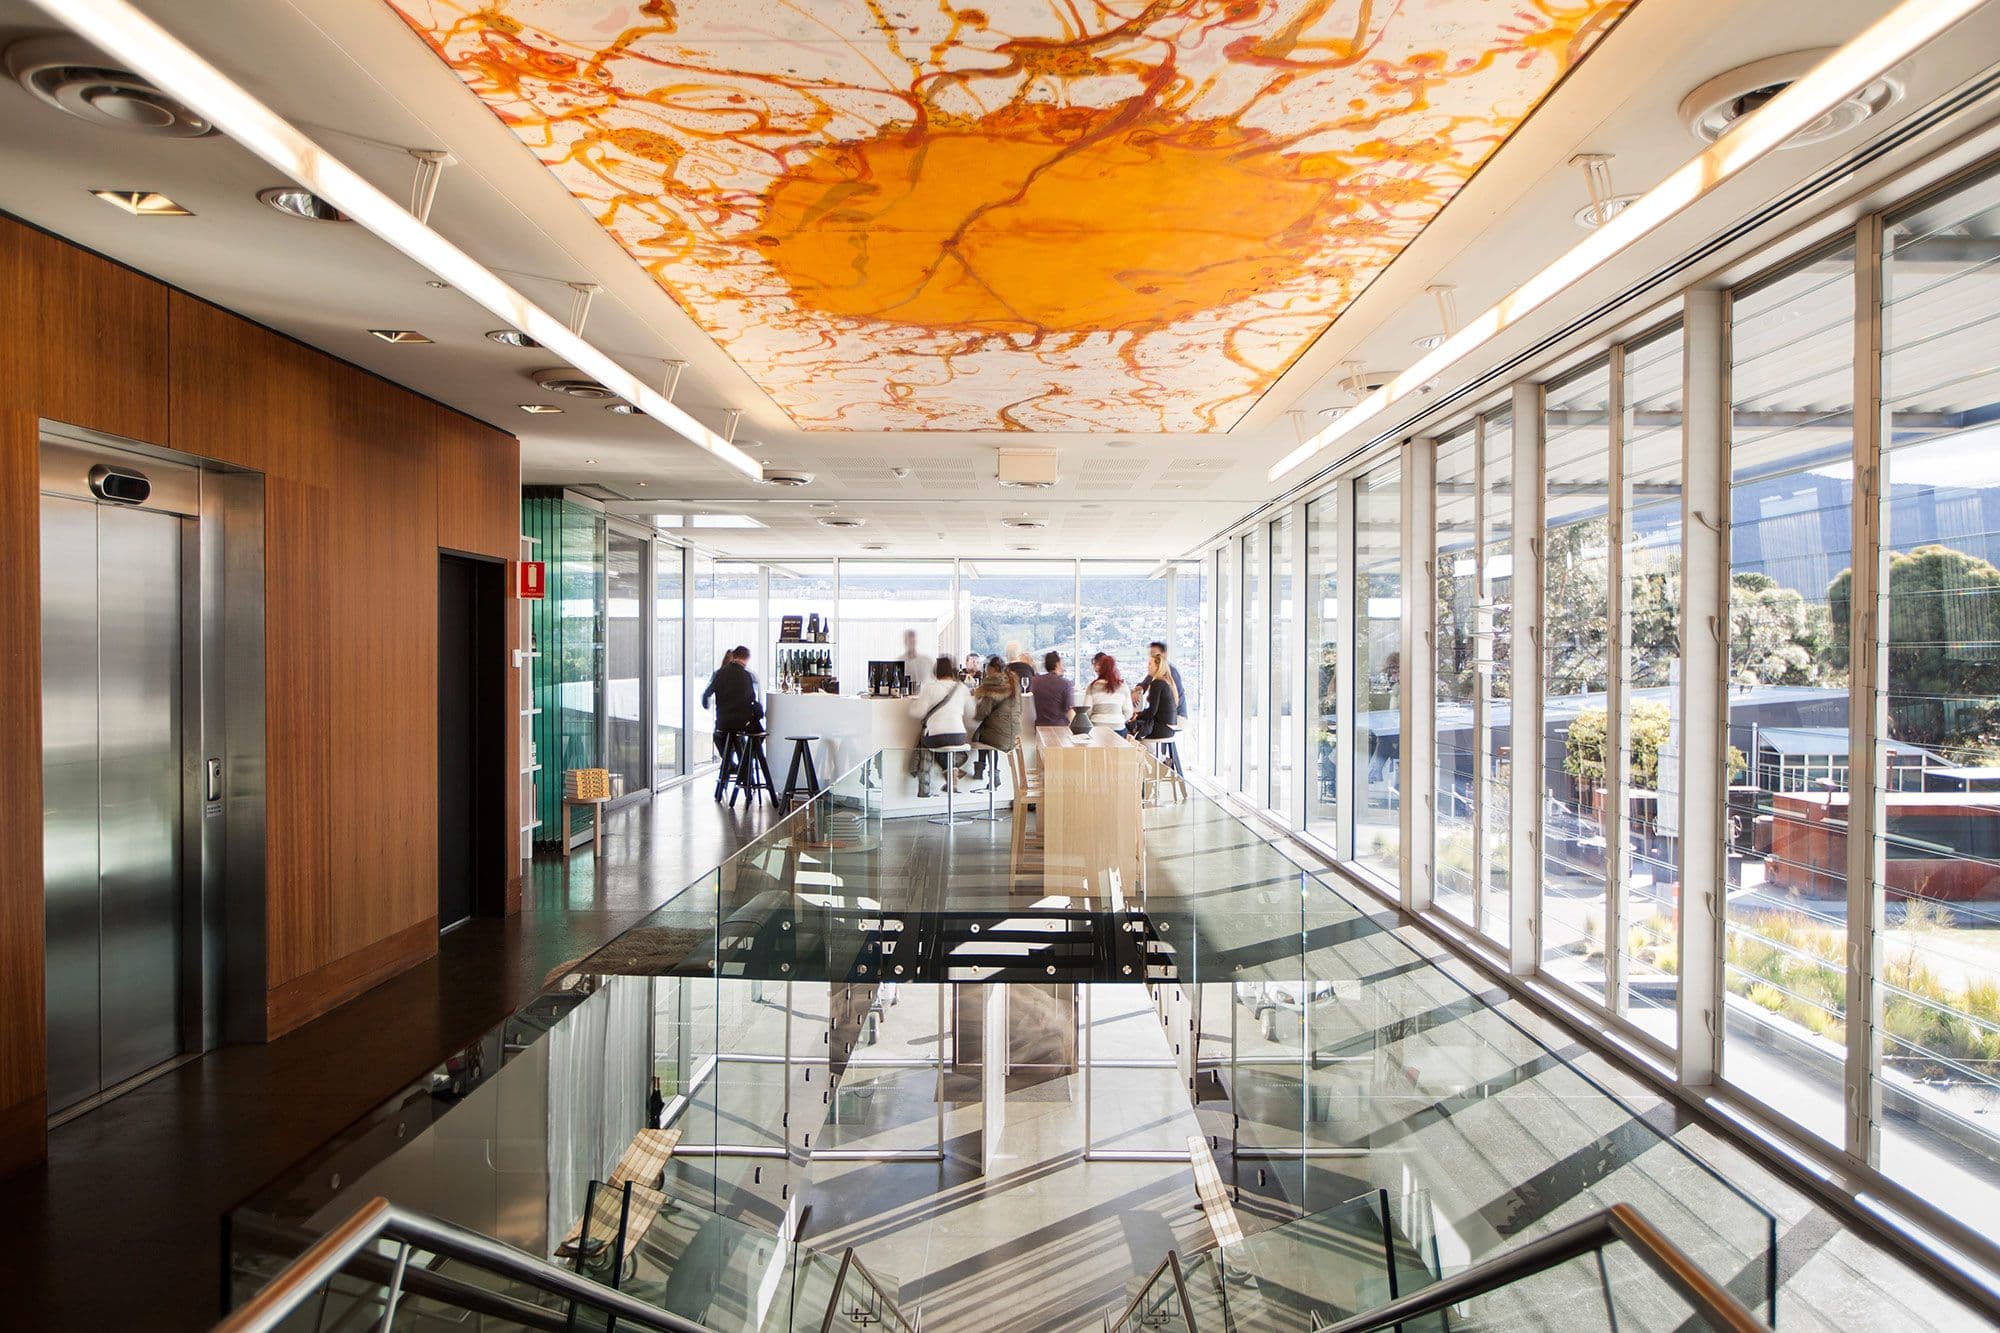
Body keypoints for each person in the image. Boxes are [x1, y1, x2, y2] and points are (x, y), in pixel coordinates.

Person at [908, 654, 973, 795]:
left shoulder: (930, 687)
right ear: (952, 671)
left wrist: (912, 703)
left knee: (925, 741)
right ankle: (952, 773)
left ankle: (924, 786)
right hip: (959, 737)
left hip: (936, 738)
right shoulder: (962, 688)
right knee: (946, 746)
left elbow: (917, 713)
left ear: (935, 672)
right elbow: (972, 713)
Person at [701, 644, 762, 763]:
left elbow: (706, 695)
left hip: (722, 723)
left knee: (721, 736)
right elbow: (753, 700)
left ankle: (729, 765)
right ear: (747, 659)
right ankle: (746, 766)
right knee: (751, 734)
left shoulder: (719, 673)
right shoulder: (749, 675)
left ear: (733, 656)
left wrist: (707, 706)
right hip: (743, 723)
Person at [969, 656, 1021, 778]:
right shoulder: (1013, 682)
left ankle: (982, 772)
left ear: (992, 669)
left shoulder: (992, 685)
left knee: (980, 735)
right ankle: (993, 773)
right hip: (1014, 732)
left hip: (999, 736)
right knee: (985, 732)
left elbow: (983, 712)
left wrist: (976, 710)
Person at [1128, 654, 1180, 743]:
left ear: (1157, 667)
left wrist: (1136, 716)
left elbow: (1152, 711)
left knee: (1128, 729)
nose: (1148, 667)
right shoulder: (1165, 681)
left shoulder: (1157, 683)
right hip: (1168, 728)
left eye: (1150, 664)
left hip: (1162, 729)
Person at [1084, 654, 1130, 731]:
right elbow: (1128, 711)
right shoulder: (1123, 686)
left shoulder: (1092, 686)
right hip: (1118, 728)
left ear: (1100, 669)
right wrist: (1118, 720)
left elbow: (1087, 710)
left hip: (1097, 727)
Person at [1028, 650, 1074, 727]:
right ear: (1057, 664)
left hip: (1039, 727)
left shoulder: (1035, 681)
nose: (1064, 667)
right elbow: (1069, 711)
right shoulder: (1065, 684)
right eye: (1062, 664)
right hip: (1060, 728)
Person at [1147, 641, 1189, 726]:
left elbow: (1153, 710)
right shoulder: (1161, 672)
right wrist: (1139, 688)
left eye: (1156, 654)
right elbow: (1146, 680)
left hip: (1176, 716)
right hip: (1171, 717)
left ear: (1164, 655)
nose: (1152, 657)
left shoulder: (1168, 673)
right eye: (1151, 654)